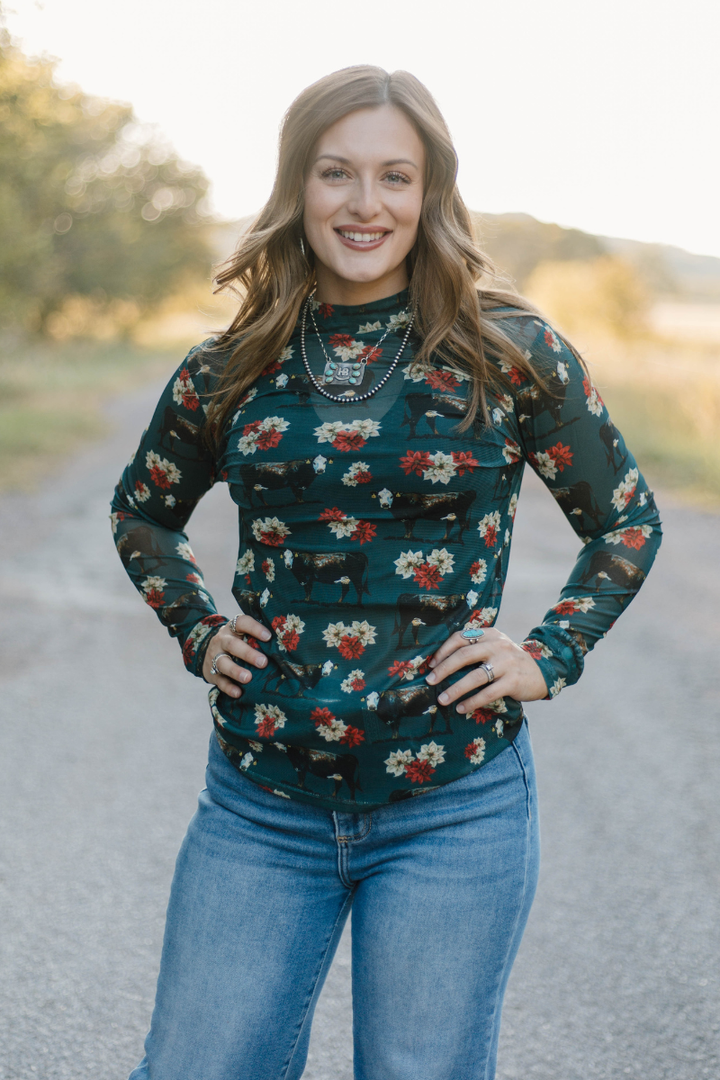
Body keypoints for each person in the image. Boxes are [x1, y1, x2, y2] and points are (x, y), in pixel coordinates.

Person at [112, 65, 661, 1080]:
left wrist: (549, 654)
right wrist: (197, 628)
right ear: (297, 186)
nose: (367, 205)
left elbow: (624, 520)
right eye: (338, 173)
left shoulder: (509, 351)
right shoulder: (226, 369)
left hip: (453, 804)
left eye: (395, 177)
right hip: (260, 803)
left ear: (430, 193)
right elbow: (142, 515)